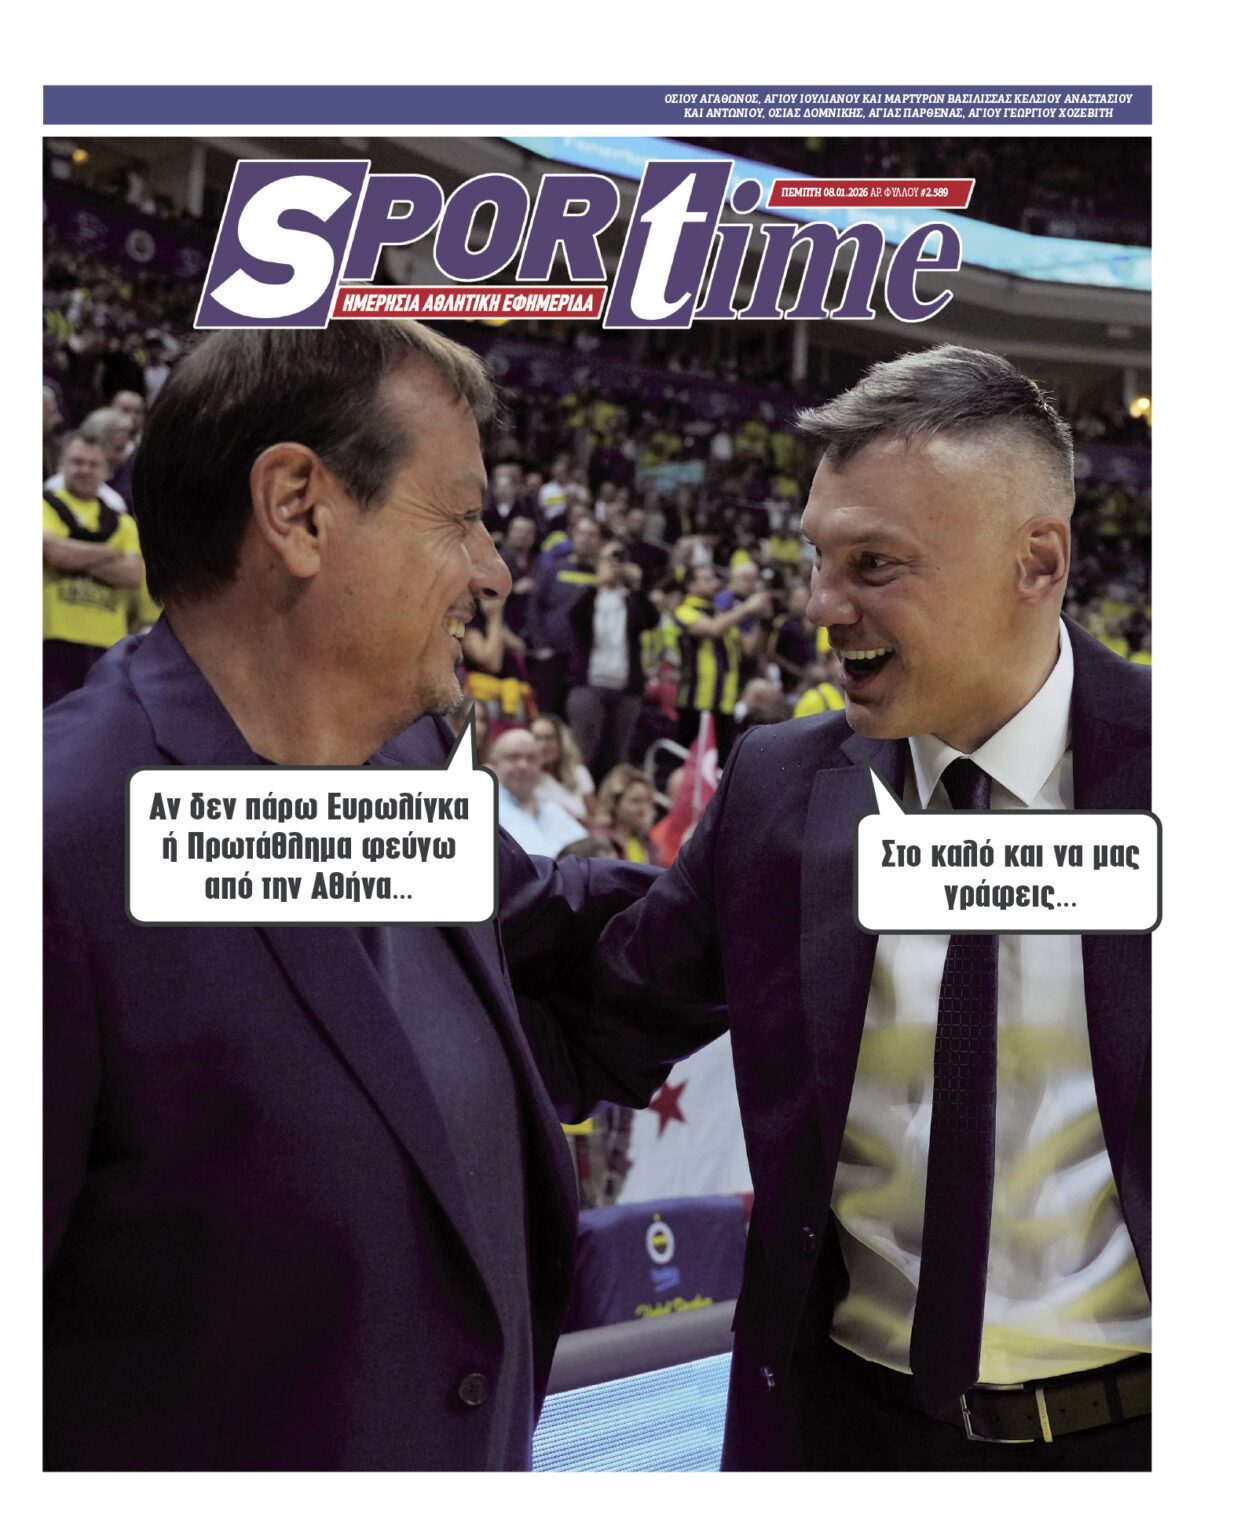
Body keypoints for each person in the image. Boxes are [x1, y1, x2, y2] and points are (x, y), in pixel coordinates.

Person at [43, 320, 687, 1472]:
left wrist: (798, 853)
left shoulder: (406, 765)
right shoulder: (56, 845)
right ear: (297, 509)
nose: (492, 571)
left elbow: (565, 973)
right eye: (460, 517)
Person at [597, 345, 1151, 1471]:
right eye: (817, 558)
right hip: (841, 1433)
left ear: (1036, 561)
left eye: (873, 564)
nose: (821, 606)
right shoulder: (776, 785)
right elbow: (608, 999)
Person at [43, 432, 144, 707]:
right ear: (61, 465)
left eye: (93, 464)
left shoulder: (125, 524)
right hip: (51, 638)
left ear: (107, 471)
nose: (85, 469)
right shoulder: (42, 506)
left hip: (108, 644)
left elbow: (133, 574)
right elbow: (53, 554)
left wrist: (72, 553)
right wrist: (110, 553)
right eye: (77, 462)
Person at [565, 540, 657, 780]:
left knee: (617, 757)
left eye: (620, 560)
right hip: (589, 683)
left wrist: (637, 586)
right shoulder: (587, 593)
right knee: (583, 752)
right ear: (599, 563)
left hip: (626, 688)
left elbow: (651, 620)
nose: (615, 566)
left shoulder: (630, 598)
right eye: (609, 559)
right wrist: (598, 584)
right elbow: (574, 617)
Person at [491, 727, 588, 859]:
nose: (523, 765)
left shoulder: (551, 806)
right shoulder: (485, 809)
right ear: (494, 764)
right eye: (513, 757)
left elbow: (586, 847)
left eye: (531, 758)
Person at [591, 765, 662, 866]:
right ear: (614, 804)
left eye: (648, 802)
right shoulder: (597, 839)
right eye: (636, 801)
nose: (643, 809)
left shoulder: (650, 848)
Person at [530, 713, 595, 822]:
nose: (543, 745)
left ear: (561, 741)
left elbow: (593, 816)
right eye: (537, 738)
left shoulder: (579, 773)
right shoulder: (527, 779)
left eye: (549, 738)